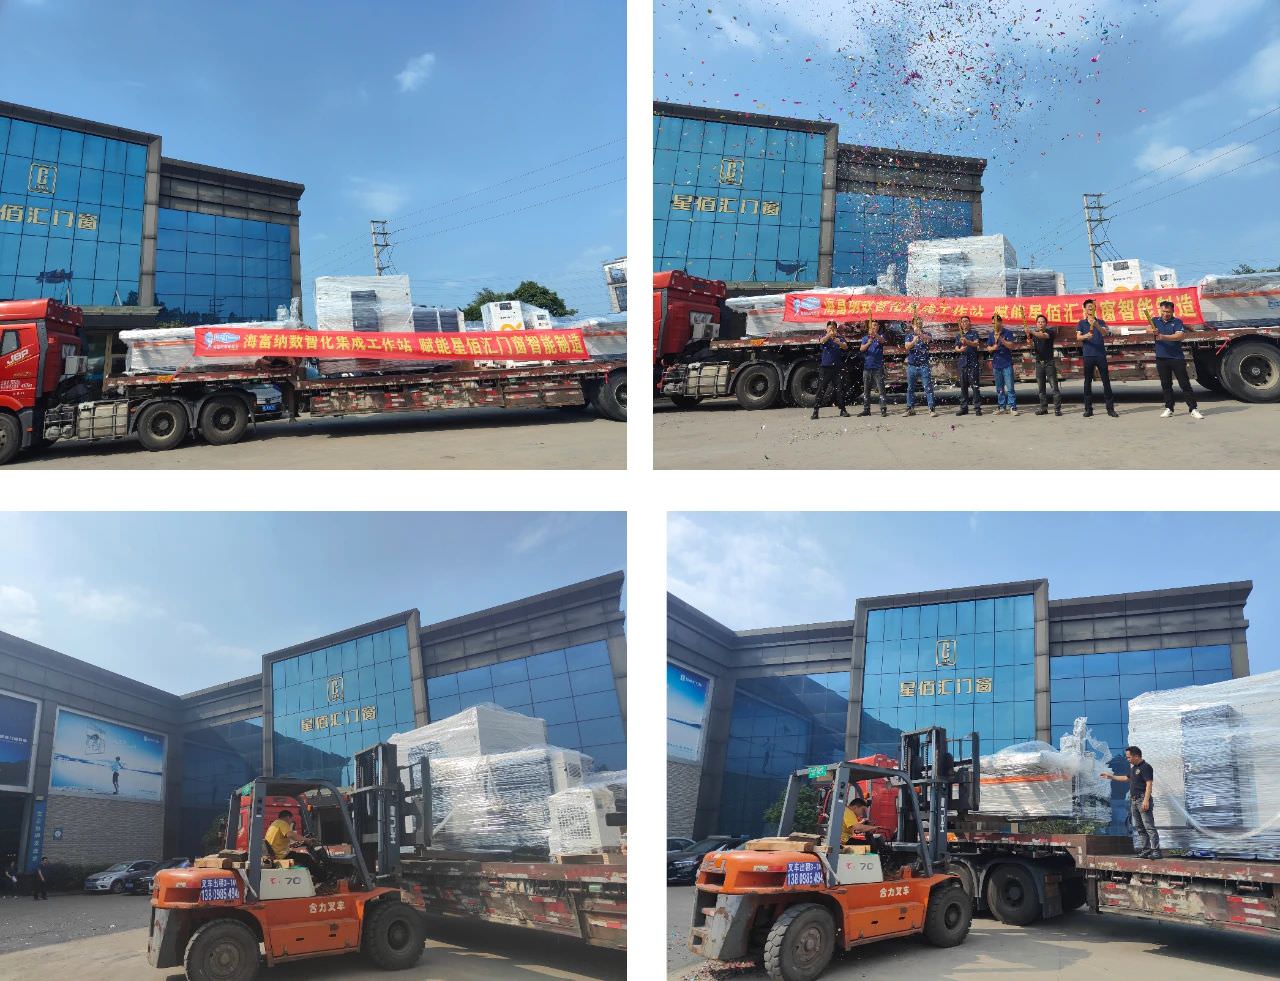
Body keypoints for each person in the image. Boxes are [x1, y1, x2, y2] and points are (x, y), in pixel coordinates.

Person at [1102, 745, 1162, 859]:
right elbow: (1126, 778)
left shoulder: (1146, 767)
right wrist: (1111, 777)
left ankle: (1156, 850)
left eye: (1129, 757)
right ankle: (1146, 849)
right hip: (1134, 801)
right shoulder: (1133, 768)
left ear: (1136, 756)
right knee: (1139, 826)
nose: (1127, 759)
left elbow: (1149, 784)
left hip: (1142, 799)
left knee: (1149, 826)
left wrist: (1146, 800)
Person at [1150, 299, 1204, 419]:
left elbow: (1179, 336)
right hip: (1161, 358)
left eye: (1168, 312)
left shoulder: (1177, 321)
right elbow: (1148, 329)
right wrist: (1152, 330)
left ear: (1172, 311)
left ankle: (1193, 408)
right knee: (1166, 384)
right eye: (1163, 311)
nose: (1165, 314)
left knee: (1184, 384)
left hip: (1176, 358)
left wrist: (1162, 337)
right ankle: (1169, 408)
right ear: (1160, 310)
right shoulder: (1155, 320)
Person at [1077, 298, 1118, 418]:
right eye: (1088, 307)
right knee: (1087, 382)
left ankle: (1110, 409)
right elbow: (1078, 337)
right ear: (1085, 309)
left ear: (1095, 308)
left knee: (1106, 381)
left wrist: (1096, 325)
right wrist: (1085, 336)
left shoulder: (1101, 321)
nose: (1090, 308)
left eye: (1092, 306)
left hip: (1100, 355)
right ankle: (1088, 409)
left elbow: (1105, 333)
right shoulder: (1081, 323)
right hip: (1088, 355)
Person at [811, 320, 850, 420]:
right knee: (821, 389)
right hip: (825, 368)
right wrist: (829, 335)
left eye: (833, 328)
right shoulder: (824, 337)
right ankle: (815, 411)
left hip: (837, 368)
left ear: (836, 329)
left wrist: (838, 342)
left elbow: (845, 347)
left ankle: (843, 410)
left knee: (839, 389)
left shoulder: (839, 338)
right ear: (826, 329)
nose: (831, 330)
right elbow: (821, 341)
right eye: (829, 328)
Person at [265, 809, 320, 877]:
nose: (291, 822)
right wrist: (307, 840)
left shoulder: (274, 824)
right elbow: (290, 835)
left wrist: (291, 845)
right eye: (291, 820)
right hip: (281, 855)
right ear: (288, 817)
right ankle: (322, 877)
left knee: (299, 856)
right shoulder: (283, 823)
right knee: (306, 858)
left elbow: (277, 841)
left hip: (277, 853)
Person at [1027, 314, 1062, 416]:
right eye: (1039, 322)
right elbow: (1031, 346)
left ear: (1046, 324)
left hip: (1049, 363)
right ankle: (1043, 408)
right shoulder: (1034, 335)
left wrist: (1031, 332)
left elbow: (1043, 336)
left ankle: (1057, 409)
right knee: (1041, 389)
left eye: (1042, 322)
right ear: (1036, 324)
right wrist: (1029, 341)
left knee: (1054, 387)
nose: (1041, 324)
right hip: (1039, 363)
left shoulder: (1050, 332)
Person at [903, 317, 937, 417]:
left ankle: (931, 408)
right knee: (910, 388)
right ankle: (910, 408)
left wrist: (920, 334)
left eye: (920, 323)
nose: (919, 324)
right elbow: (907, 346)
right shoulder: (909, 336)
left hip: (924, 366)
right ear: (913, 325)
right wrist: (914, 341)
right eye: (916, 323)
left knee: (928, 387)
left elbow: (928, 340)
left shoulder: (927, 334)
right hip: (912, 366)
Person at [986, 314, 1019, 415]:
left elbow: (1011, 345)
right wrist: (993, 348)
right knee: (999, 388)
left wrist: (1002, 340)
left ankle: (1012, 407)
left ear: (1001, 322)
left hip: (1006, 363)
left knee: (1010, 387)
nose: (994, 325)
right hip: (996, 364)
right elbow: (988, 348)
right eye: (993, 323)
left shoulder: (1007, 332)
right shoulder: (991, 334)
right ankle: (1001, 407)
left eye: (996, 323)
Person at [954, 316, 983, 416]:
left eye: (966, 321)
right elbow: (956, 348)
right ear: (961, 324)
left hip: (972, 363)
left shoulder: (974, 333)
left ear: (969, 322)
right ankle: (964, 407)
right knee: (963, 387)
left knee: (975, 386)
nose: (964, 323)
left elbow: (976, 344)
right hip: (963, 363)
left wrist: (967, 342)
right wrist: (960, 350)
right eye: (963, 322)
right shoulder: (959, 335)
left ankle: (977, 408)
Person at [858, 319, 888, 417]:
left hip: (878, 367)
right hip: (867, 367)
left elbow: (883, 341)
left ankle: (883, 408)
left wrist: (875, 335)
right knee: (866, 390)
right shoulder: (865, 338)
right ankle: (866, 409)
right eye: (872, 325)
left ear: (878, 327)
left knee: (881, 389)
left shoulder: (881, 336)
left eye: (875, 325)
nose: (874, 327)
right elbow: (861, 349)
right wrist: (868, 343)